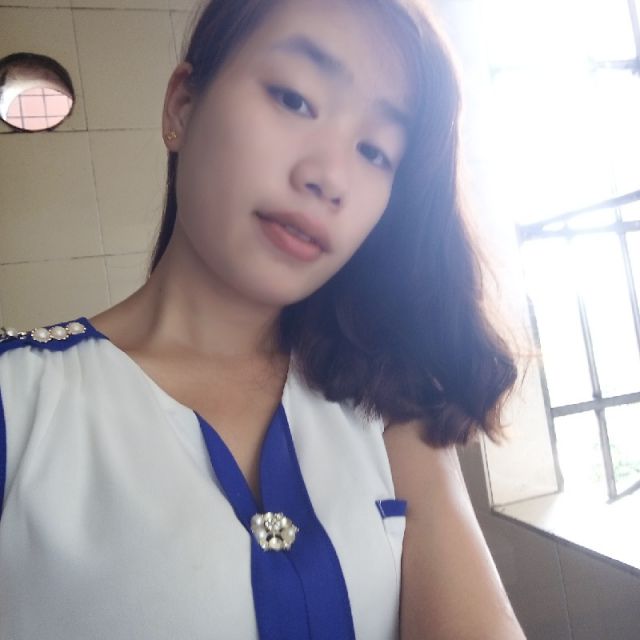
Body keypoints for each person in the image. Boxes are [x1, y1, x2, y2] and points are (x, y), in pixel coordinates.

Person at [0, 0, 526, 638]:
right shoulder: (19, 401)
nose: (330, 177)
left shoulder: (385, 402)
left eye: (375, 150)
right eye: (294, 99)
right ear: (182, 107)